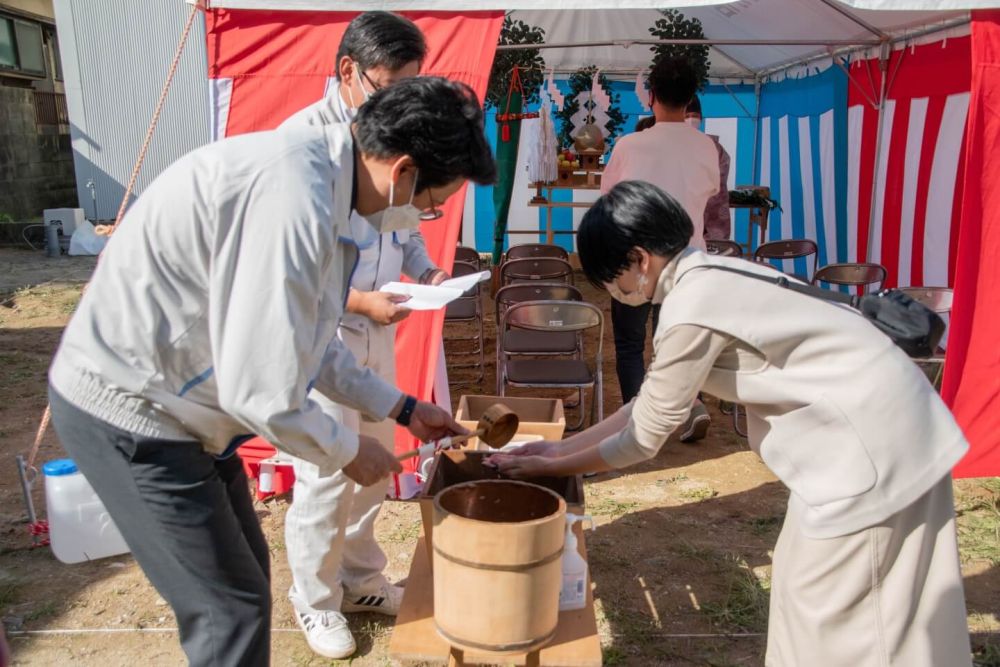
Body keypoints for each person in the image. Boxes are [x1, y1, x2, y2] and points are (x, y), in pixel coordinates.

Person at [47, 76, 497, 667]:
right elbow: (261, 388)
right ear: (404, 170)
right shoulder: (295, 199)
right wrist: (348, 449)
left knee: (246, 578)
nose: (428, 214)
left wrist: (404, 409)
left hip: (187, 411)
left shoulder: (328, 191)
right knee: (227, 611)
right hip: (133, 412)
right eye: (432, 201)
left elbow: (309, 342)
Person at [489, 180, 972, 667]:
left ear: (638, 260)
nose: (613, 291)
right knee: (892, 605)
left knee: (833, 607)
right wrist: (559, 450)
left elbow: (644, 438)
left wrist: (557, 468)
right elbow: (647, 402)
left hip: (868, 450)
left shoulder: (690, 307)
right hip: (897, 423)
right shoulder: (712, 271)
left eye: (609, 278)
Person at [278, 12, 447, 659]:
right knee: (325, 469)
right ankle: (315, 600)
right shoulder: (301, 146)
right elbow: (290, 272)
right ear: (348, 72)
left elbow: (403, 224)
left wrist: (426, 270)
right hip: (316, 334)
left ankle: (362, 579)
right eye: (391, 88)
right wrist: (358, 299)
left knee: (375, 460)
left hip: (376, 329)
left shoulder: (389, 137)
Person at [600, 56, 720, 441]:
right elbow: (710, 193)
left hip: (636, 262)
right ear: (690, 102)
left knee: (631, 345)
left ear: (650, 97)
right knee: (677, 345)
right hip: (686, 262)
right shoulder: (706, 148)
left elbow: (609, 198)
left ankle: (642, 426)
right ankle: (692, 405)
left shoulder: (630, 144)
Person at [685, 95, 732, 241]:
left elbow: (722, 169)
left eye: (695, 116)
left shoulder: (714, 146)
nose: (691, 119)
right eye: (687, 116)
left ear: (701, 118)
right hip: (685, 205)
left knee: (713, 250)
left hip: (712, 205)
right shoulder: (676, 143)